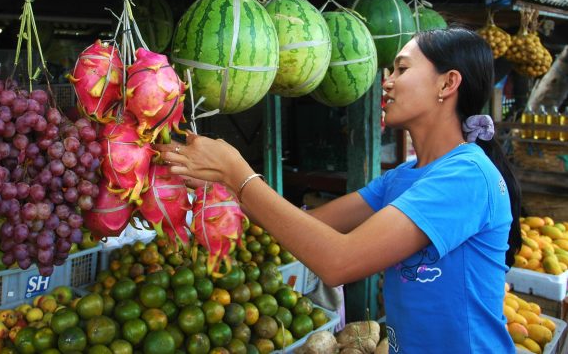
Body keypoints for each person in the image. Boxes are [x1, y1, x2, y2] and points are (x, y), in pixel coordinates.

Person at [157, 27, 521, 353]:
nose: (388, 81)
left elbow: (338, 261)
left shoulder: (467, 176)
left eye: (402, 69)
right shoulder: (402, 178)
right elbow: (308, 224)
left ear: (447, 84)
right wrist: (222, 184)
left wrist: (238, 173)